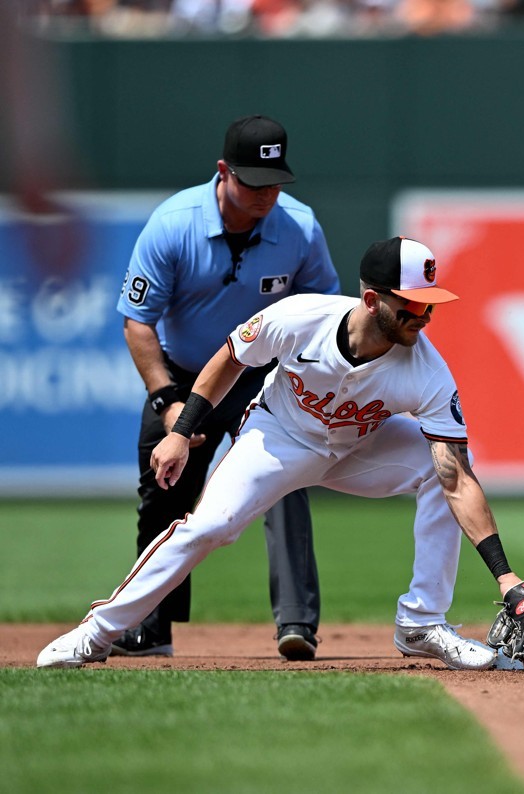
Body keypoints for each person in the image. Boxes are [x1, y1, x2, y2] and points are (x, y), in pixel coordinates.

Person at [38, 236, 524, 671]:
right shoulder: (299, 317)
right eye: (413, 305)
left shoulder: (426, 370)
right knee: (210, 527)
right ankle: (98, 631)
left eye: (431, 304)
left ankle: (421, 623)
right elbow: (229, 358)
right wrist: (181, 431)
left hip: (358, 447)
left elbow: (457, 479)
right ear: (373, 301)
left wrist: (506, 577)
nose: (425, 316)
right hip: (278, 438)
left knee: (438, 470)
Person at [114, 114, 341, 661]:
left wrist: (305, 385)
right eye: (252, 182)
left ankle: (296, 624)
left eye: (274, 183)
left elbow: (327, 314)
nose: (265, 195)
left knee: (285, 484)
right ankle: (152, 625)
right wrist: (168, 401)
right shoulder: (174, 225)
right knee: (163, 488)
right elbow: (137, 321)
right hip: (187, 373)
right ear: (223, 171)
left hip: (263, 378)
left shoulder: (300, 227)